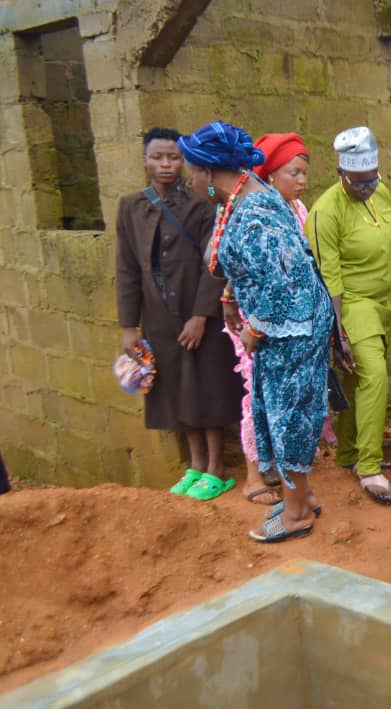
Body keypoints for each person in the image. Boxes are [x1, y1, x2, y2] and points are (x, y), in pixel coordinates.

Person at [179, 121, 333, 542]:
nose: (189, 178)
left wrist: (256, 328)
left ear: (210, 173)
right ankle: (301, 496)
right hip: (289, 324)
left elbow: (287, 283)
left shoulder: (253, 214)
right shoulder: (248, 194)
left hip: (291, 328)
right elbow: (253, 266)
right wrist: (230, 294)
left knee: (289, 417)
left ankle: (298, 513)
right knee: (283, 411)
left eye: (192, 170)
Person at [115, 127, 243, 498]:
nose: (166, 164)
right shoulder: (131, 207)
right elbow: (126, 268)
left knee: (207, 387)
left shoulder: (201, 203)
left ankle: (217, 467)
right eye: (158, 157)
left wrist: (202, 315)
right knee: (174, 390)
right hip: (158, 317)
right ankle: (195, 465)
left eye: (173, 157)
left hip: (197, 312)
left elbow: (214, 263)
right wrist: (129, 326)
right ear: (145, 160)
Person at [305, 126, 391, 505]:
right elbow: (328, 278)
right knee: (374, 377)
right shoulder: (326, 213)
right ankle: (369, 467)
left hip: (380, 301)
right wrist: (339, 334)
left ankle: (349, 453)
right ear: (341, 175)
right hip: (348, 304)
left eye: (372, 180)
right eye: (359, 184)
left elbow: (390, 244)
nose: (368, 189)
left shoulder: (378, 193)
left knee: (356, 385)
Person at [219, 131, 311, 505]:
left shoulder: (298, 211)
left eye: (305, 173)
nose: (302, 181)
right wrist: (229, 297)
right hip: (258, 314)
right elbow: (239, 261)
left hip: (288, 317)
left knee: (285, 396)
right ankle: (253, 476)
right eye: (294, 173)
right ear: (271, 174)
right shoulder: (256, 208)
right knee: (255, 392)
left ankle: (283, 473)